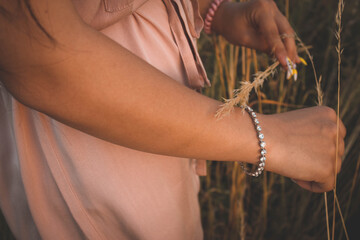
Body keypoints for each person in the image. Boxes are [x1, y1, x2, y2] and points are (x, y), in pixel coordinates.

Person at [0, 0, 346, 239]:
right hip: (91, 171)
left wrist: (217, 12)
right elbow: (36, 51)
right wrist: (269, 138)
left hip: (167, 139)